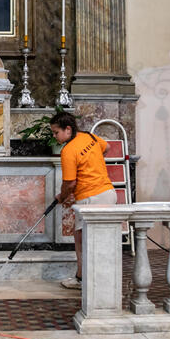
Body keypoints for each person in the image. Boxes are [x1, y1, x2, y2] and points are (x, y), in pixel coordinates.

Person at [50, 111, 117, 289]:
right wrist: (93, 165)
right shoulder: (89, 136)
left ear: (68, 129)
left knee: (81, 240)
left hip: (90, 198)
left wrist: (61, 197)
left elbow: (70, 183)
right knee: (103, 239)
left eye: (56, 132)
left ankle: (82, 280)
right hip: (109, 193)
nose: (55, 136)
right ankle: (103, 279)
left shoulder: (68, 151)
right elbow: (107, 147)